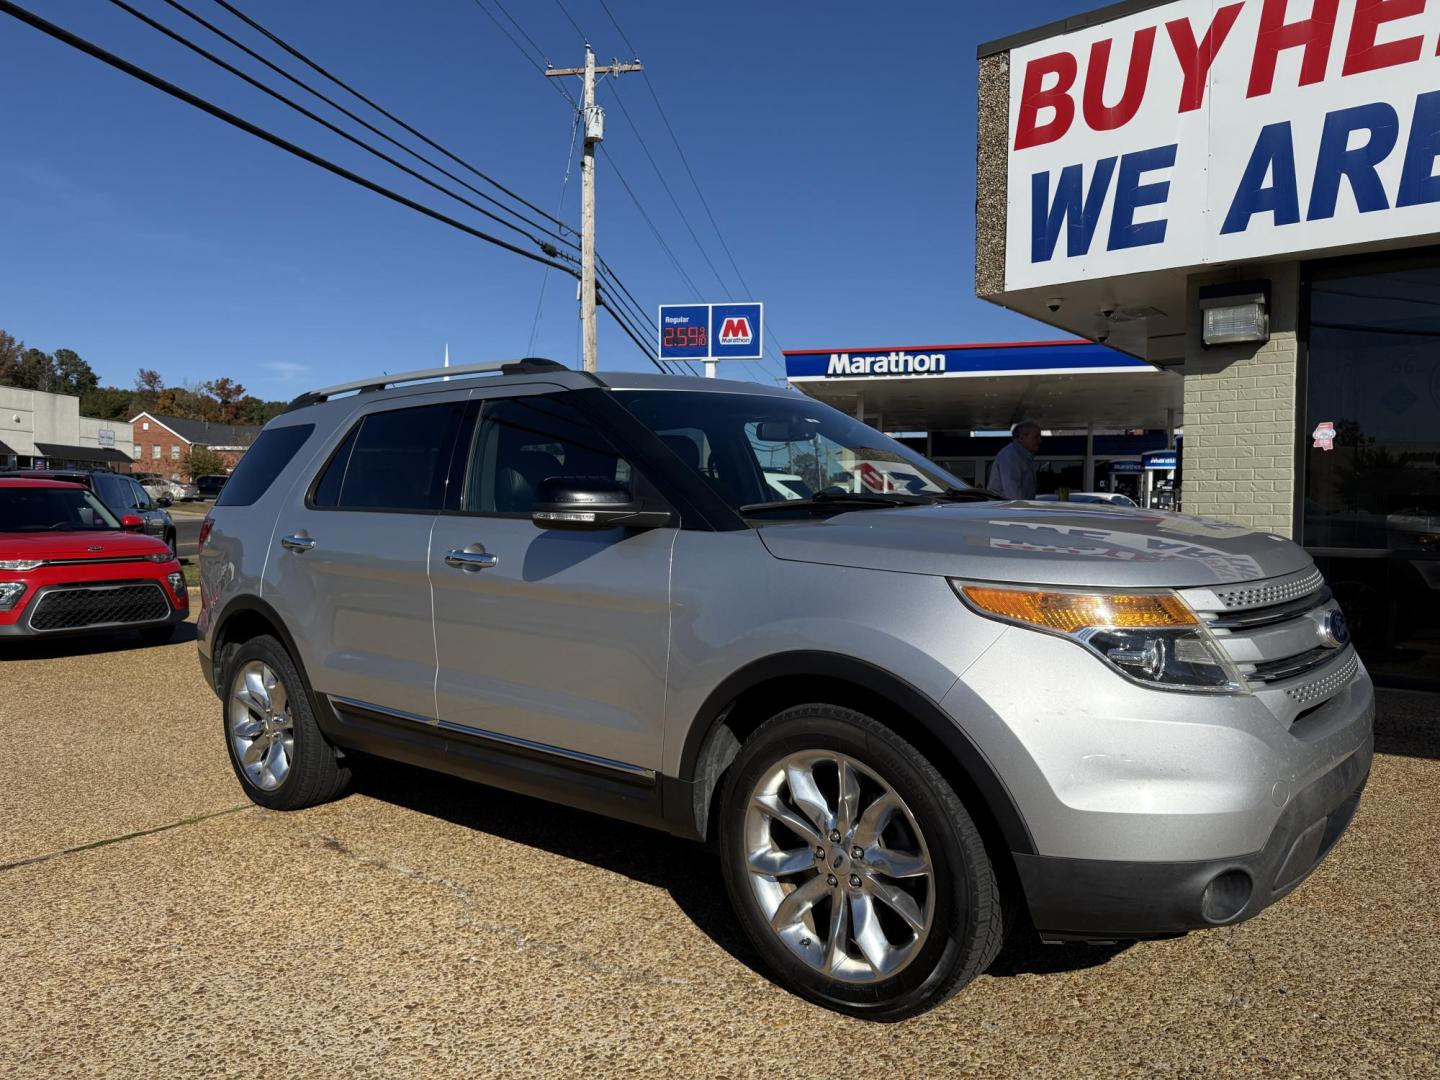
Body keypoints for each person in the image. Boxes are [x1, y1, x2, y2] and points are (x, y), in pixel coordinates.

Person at [991, 420, 1040, 500]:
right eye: (1036, 437)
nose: (1040, 441)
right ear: (1021, 438)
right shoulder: (1011, 456)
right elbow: (1013, 495)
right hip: (1010, 511)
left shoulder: (1020, 456)